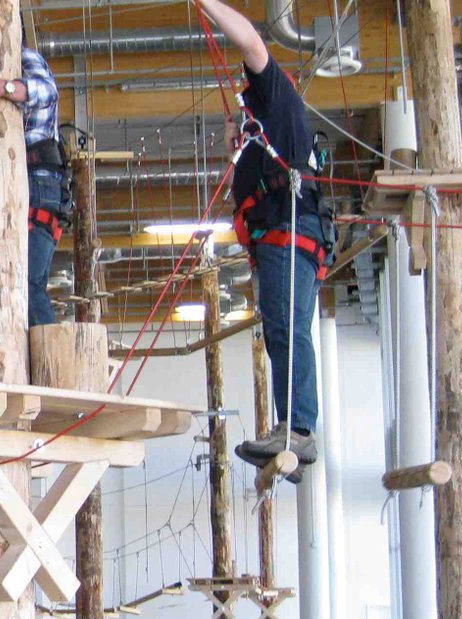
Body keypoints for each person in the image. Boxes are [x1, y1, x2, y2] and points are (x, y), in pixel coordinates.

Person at [196, 0, 333, 473]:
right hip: (282, 241)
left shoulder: (276, 98)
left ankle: (297, 427)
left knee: (287, 330)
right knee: (282, 331)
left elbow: (251, 41)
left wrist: (207, 4)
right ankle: (292, 432)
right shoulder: (260, 144)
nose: (234, 127)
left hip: (291, 234)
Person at [0, 44, 66, 327]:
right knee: (13, 287)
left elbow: (48, 93)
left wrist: (3, 87)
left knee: (27, 286)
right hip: (14, 188)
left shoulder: (22, 56)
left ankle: (50, 366)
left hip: (38, 187)